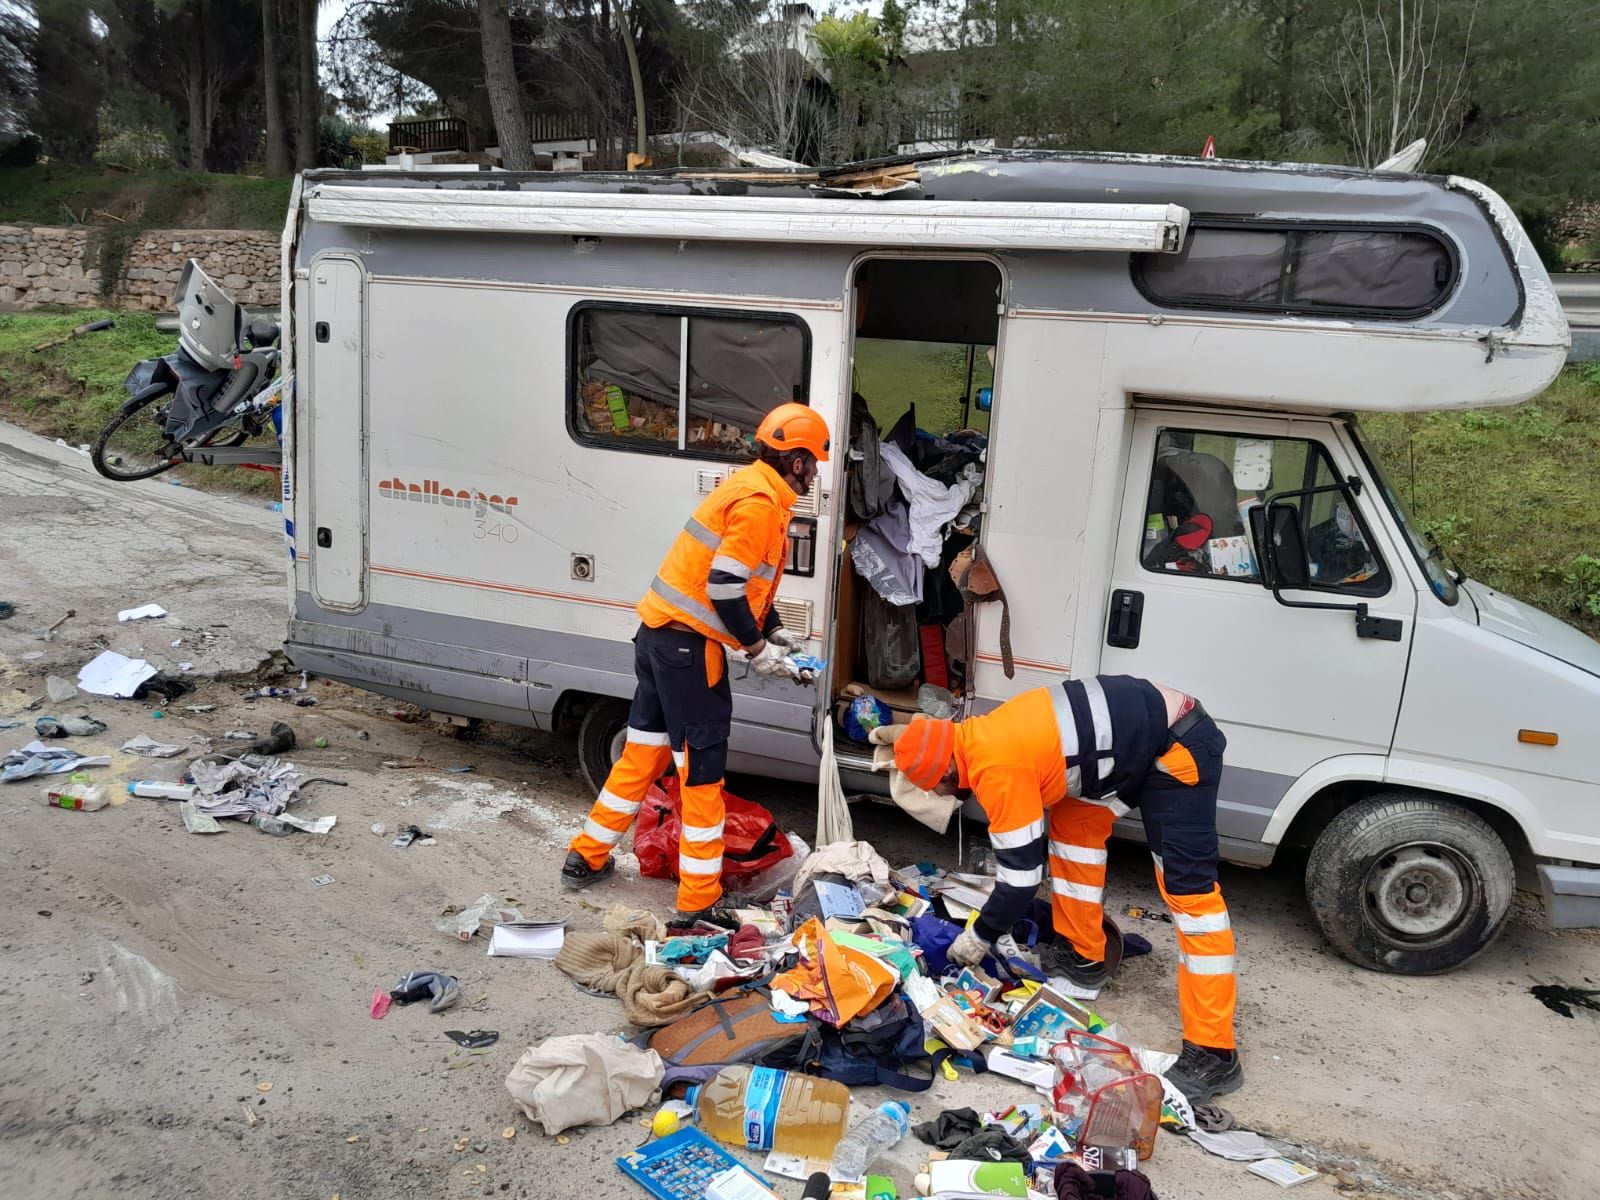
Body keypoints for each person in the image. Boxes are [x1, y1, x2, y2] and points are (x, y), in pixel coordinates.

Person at [880, 675, 1241, 1103]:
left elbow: (1021, 879)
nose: (945, 795)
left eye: (938, 787)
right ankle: (1085, 955)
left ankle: (1215, 1053)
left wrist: (978, 936)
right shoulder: (980, 734)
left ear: (947, 771)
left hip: (1178, 744)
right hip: (1134, 743)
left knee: (1191, 897)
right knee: (1074, 828)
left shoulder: (995, 767)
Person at [561, 402, 831, 922]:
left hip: (658, 637)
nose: (815, 472)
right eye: (814, 462)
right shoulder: (759, 505)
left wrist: (774, 634)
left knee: (642, 754)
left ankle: (585, 856)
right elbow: (725, 588)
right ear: (796, 461)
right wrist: (757, 650)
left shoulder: (749, 489)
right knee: (701, 773)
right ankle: (698, 900)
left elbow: (742, 585)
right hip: (689, 652)